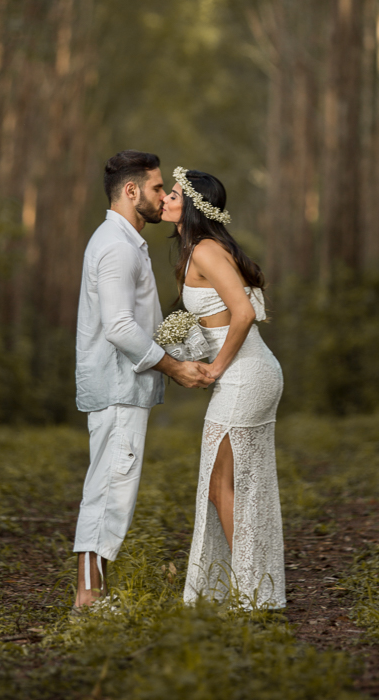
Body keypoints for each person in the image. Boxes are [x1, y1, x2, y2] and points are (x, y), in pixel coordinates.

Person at [73, 151, 213, 609]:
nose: (162, 196)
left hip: (122, 384)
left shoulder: (125, 240)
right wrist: (173, 366)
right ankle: (89, 597)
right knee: (110, 490)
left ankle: (93, 593)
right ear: (131, 191)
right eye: (156, 188)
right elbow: (118, 327)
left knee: (114, 486)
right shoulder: (115, 246)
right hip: (116, 386)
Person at [161, 167, 286, 609]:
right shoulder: (197, 249)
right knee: (228, 486)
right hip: (248, 372)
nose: (165, 199)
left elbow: (243, 313)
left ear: (191, 205)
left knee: (222, 487)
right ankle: (250, 587)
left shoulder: (207, 250)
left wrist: (214, 367)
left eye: (173, 194)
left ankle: (252, 592)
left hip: (245, 374)